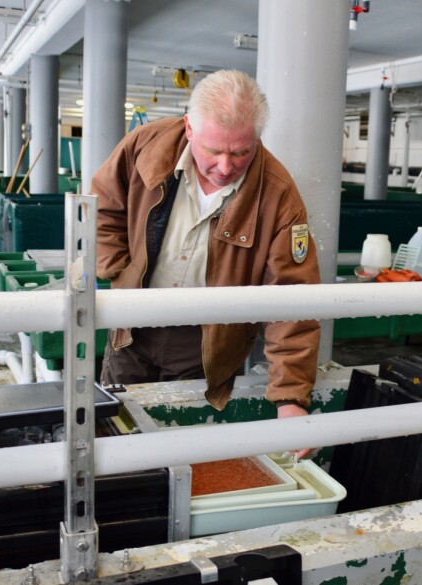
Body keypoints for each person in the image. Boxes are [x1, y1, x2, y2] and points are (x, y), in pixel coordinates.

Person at [93, 69, 321, 449]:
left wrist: (291, 397)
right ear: (189, 128)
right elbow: (104, 206)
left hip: (202, 343)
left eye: (241, 152)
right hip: (131, 326)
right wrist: (119, 272)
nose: (227, 166)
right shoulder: (144, 146)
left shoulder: (279, 196)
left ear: (257, 138)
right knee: (114, 430)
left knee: (180, 442)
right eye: (214, 151)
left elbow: (293, 299)